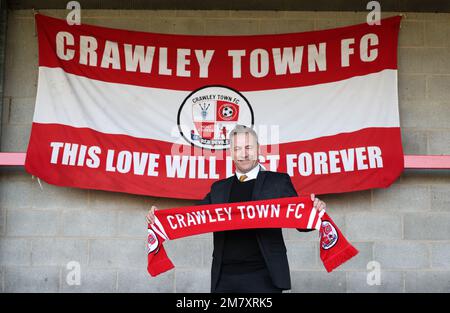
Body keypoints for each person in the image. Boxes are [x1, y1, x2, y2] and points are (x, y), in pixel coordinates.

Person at [146, 125, 326, 293]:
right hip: (224, 278)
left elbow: (302, 222)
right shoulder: (219, 188)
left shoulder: (278, 182)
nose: (243, 154)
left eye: (248, 148)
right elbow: (192, 216)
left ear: (258, 149)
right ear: (231, 153)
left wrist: (315, 210)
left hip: (264, 276)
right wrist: (160, 218)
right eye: (238, 149)